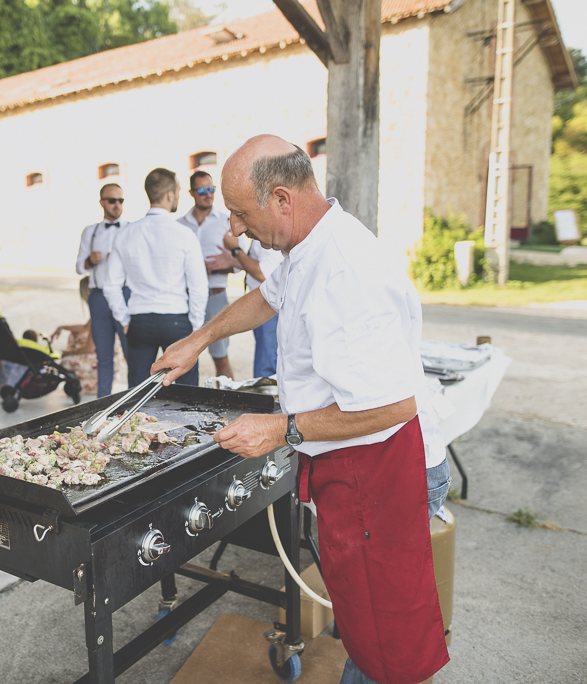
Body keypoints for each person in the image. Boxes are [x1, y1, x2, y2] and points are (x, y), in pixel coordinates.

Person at [153, 136, 451, 684]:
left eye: (242, 214)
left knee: (386, 643)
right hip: (352, 466)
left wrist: (281, 429)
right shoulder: (307, 245)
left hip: (386, 469)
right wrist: (198, 341)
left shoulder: (346, 269)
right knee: (365, 620)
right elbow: (268, 297)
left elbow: (391, 406)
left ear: (283, 199)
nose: (236, 230)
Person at [104, 168, 207, 387]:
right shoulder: (185, 234)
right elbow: (198, 287)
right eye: (178, 191)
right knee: (187, 393)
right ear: (170, 195)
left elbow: (110, 286)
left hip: (139, 320)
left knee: (137, 395)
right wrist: (195, 327)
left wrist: (124, 319)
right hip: (177, 319)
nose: (178, 196)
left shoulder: (126, 233)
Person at [178, 170, 237, 379]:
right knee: (182, 356)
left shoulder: (226, 221)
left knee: (221, 357)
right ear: (192, 192)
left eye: (211, 189)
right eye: (202, 190)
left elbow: (240, 262)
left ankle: (232, 406)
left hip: (216, 297)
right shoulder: (179, 225)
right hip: (185, 299)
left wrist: (224, 265)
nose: (208, 194)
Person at [75, 183, 130, 397]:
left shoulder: (131, 229)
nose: (117, 205)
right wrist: (90, 260)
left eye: (120, 200)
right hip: (98, 297)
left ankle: (139, 404)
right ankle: (103, 405)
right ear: (102, 203)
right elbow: (79, 267)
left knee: (131, 352)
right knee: (103, 356)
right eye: (112, 200)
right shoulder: (90, 232)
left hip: (125, 295)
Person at [223, 233, 284, 378]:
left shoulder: (268, 237)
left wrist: (236, 249)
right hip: (269, 306)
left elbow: (263, 273)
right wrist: (232, 261)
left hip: (269, 307)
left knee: (266, 369)